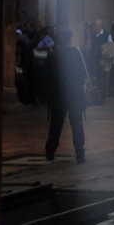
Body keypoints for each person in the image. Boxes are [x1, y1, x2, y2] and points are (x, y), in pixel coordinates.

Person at [45, 29, 87, 163]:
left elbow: (48, 77)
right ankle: (80, 152)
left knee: (56, 124)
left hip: (58, 95)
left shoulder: (53, 55)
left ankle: (50, 151)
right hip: (74, 94)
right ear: (69, 40)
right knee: (77, 124)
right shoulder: (76, 53)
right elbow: (82, 74)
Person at [89, 19, 114, 104]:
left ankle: (102, 98)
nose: (94, 27)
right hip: (94, 62)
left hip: (103, 62)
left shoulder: (107, 35)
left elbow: (110, 48)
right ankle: (96, 98)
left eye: (95, 25)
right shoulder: (93, 36)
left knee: (103, 80)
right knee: (96, 79)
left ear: (99, 26)